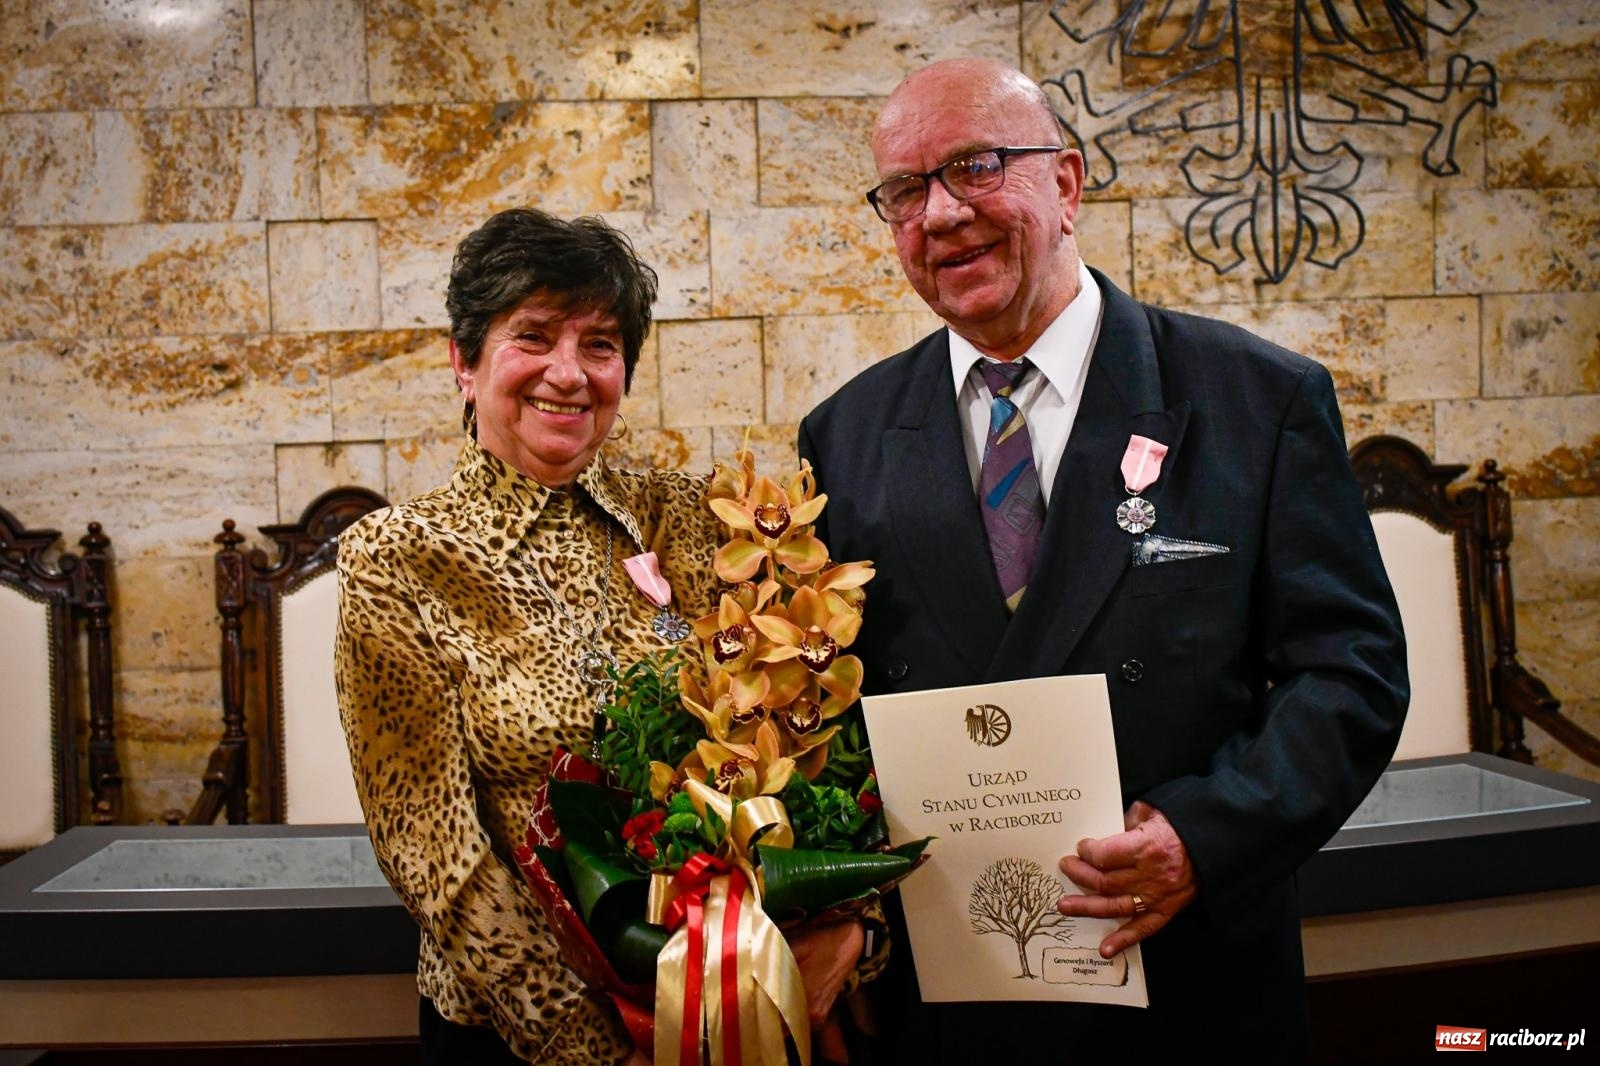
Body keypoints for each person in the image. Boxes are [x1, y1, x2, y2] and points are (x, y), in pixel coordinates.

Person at [798, 58, 1408, 1059]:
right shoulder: (845, 435)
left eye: (976, 167)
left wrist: (1200, 836)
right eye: (905, 190)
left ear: (1068, 182)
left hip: (1186, 985)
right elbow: (819, 713)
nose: (941, 214)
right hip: (941, 1003)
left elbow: (1351, 673)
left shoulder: (1258, 401)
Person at [338, 208, 866, 1065]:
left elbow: (802, 726)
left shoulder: (692, 515)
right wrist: (603, 1049)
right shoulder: (400, 561)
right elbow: (434, 851)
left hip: (736, 1005)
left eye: (600, 344)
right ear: (464, 363)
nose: (569, 374)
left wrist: (846, 930)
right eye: (533, 337)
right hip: (525, 1036)